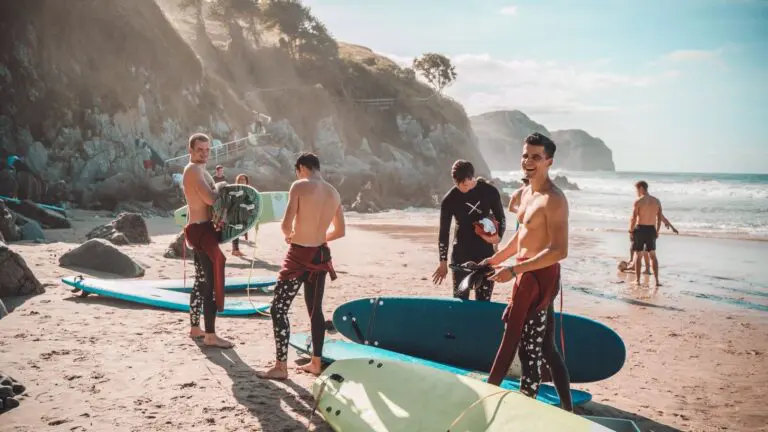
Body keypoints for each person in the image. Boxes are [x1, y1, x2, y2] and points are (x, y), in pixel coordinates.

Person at [479, 132, 573, 411]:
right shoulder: (525, 193)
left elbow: (559, 250)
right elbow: (522, 237)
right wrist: (494, 260)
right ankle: (567, 408)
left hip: (538, 277)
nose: (528, 161)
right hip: (525, 271)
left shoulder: (554, 199)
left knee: (519, 343)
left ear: (549, 161)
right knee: (546, 347)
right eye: (525, 155)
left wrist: (514, 270)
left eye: (536, 157)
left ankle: (492, 398)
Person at [257, 152, 345, 380]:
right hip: (320, 256)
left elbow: (286, 225)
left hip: (298, 255)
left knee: (279, 308)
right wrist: (320, 236)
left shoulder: (299, 186)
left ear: (301, 168)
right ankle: (316, 362)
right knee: (315, 311)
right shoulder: (334, 193)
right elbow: (340, 231)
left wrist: (290, 235)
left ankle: (281, 366)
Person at [181, 133, 232, 348]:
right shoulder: (194, 170)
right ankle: (210, 335)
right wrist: (223, 187)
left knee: (201, 281)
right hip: (201, 230)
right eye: (199, 149)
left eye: (207, 149)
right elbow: (211, 199)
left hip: (198, 229)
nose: (204, 153)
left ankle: (195, 328)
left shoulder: (198, 170)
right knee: (211, 282)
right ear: (190, 150)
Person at [432, 160, 506, 301]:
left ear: (472, 177)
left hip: (485, 254)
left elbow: (501, 218)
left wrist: (498, 238)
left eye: (465, 185)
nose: (462, 188)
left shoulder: (489, 191)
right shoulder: (449, 199)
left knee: (484, 302)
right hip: (461, 254)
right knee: (460, 300)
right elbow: (444, 233)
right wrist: (443, 263)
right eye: (458, 184)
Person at [629, 180, 666, 286]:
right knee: (653, 255)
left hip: (640, 229)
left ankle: (637, 281)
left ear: (641, 188)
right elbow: (659, 219)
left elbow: (633, 218)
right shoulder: (657, 201)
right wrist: (657, 231)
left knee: (638, 255)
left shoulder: (638, 201)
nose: (636, 192)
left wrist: (630, 230)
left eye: (637, 189)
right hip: (651, 230)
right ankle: (657, 281)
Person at [231, 173, 251, 257]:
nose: (242, 181)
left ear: (246, 181)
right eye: (240, 179)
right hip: (235, 212)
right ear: (237, 181)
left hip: (243, 213)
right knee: (236, 230)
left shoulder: (249, 190)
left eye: (244, 179)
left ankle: (235, 249)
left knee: (240, 230)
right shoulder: (235, 189)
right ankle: (235, 250)